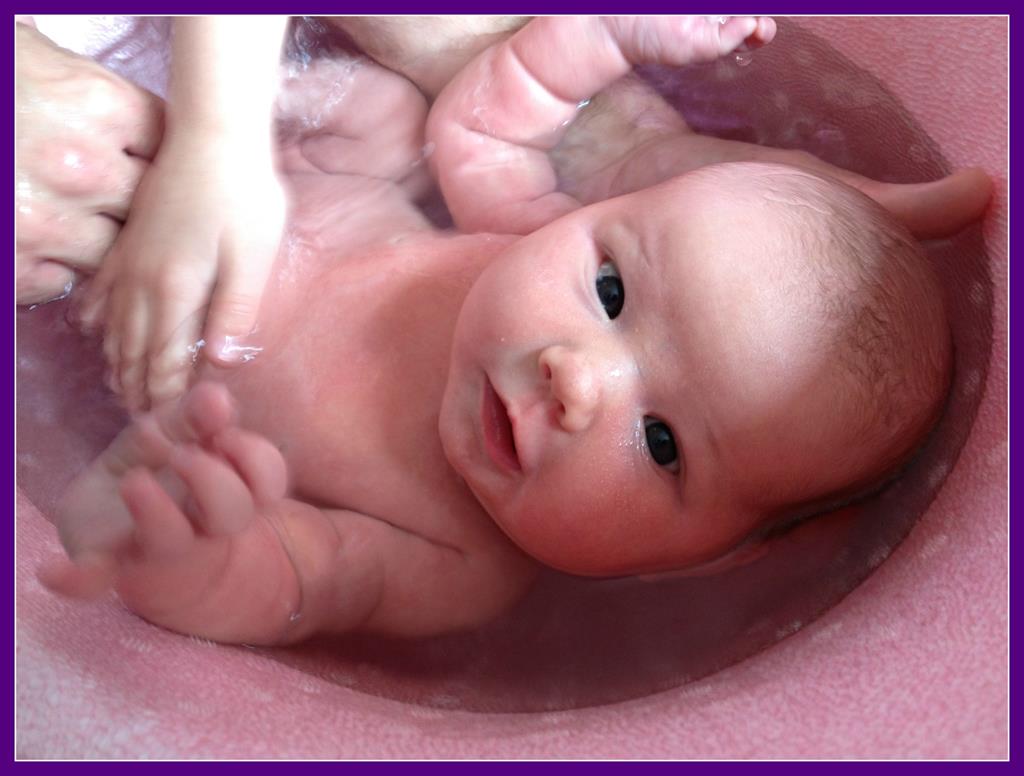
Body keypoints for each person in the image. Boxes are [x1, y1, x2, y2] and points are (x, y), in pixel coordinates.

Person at [32, 17, 986, 643]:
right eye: (611, 290)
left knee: (115, 508)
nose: (577, 377)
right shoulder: (517, 224)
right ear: (589, 217)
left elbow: (303, 575)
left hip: (116, 301)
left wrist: (202, 561)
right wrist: (615, 34)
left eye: (660, 444)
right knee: (392, 111)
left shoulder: (461, 567)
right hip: (234, 161)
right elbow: (516, 89)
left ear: (712, 556)